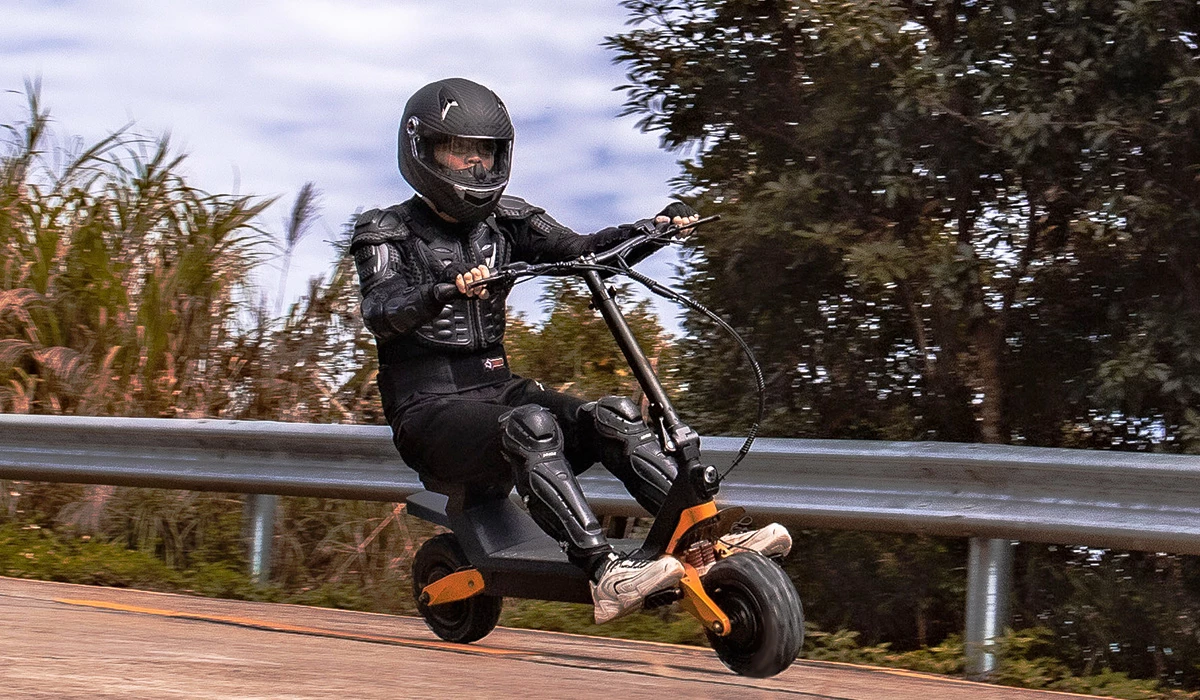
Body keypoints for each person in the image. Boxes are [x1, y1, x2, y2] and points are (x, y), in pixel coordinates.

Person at [351, 78, 791, 624]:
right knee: (530, 424)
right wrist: (442, 290)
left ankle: (703, 535)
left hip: (496, 391)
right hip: (428, 409)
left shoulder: (509, 220)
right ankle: (605, 571)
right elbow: (382, 309)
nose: (474, 167)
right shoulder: (385, 230)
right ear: (423, 150)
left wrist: (652, 230)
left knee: (615, 416)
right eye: (459, 152)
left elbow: (582, 250)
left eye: (485, 154)